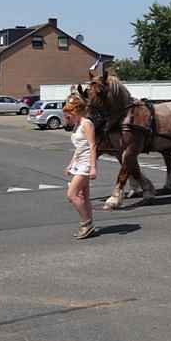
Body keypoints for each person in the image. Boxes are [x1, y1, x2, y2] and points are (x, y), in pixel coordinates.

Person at [63, 97, 97, 240]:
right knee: (83, 196)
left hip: (86, 164)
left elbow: (92, 145)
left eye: (68, 114)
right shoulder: (77, 125)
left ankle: (86, 223)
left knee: (72, 195)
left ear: (76, 111)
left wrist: (93, 167)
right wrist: (71, 164)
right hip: (79, 164)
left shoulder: (86, 124)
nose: (66, 117)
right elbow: (79, 148)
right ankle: (89, 225)